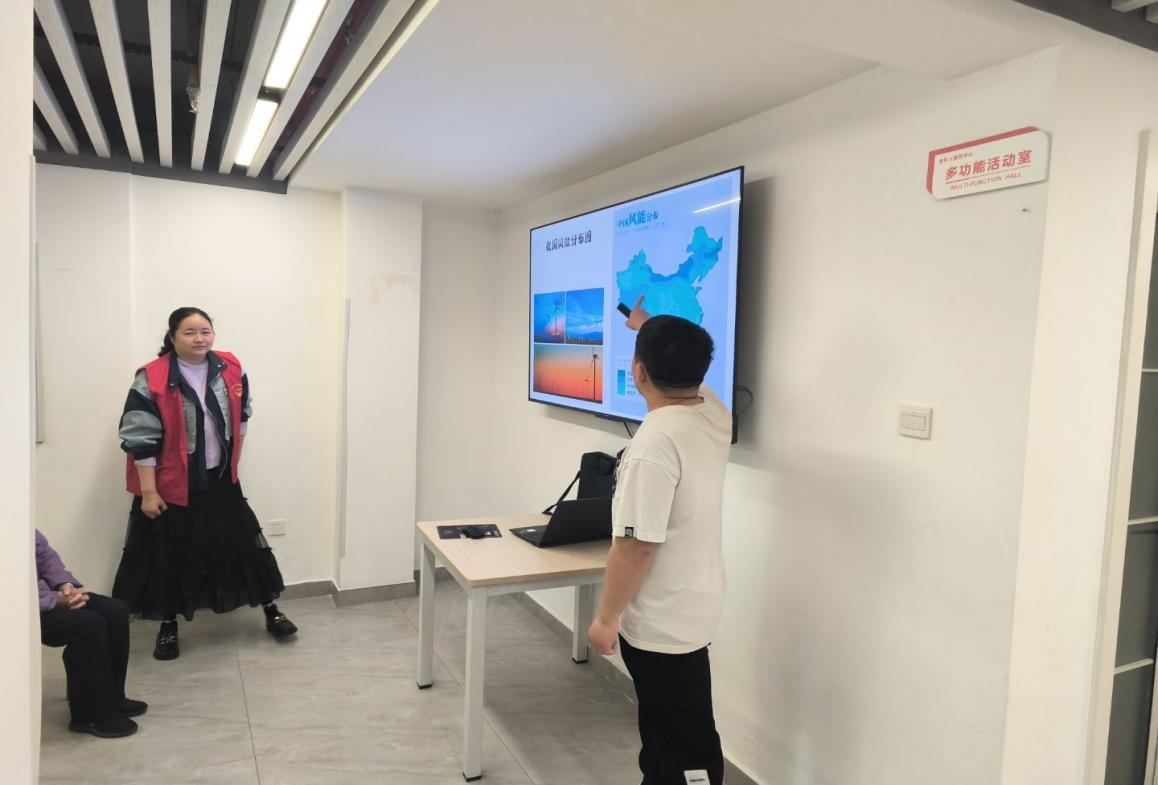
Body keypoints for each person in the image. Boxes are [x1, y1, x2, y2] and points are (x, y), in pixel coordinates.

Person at [588, 299, 731, 785]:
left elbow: (636, 547)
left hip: (661, 621)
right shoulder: (713, 415)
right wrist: (648, 328)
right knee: (665, 737)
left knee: (686, 749)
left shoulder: (653, 444)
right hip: (694, 603)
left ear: (638, 372)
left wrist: (606, 618)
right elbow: (692, 377)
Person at [113, 307, 297, 661]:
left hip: (219, 479)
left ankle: (270, 609)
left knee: (243, 545)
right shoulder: (151, 377)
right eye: (189, 332)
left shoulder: (229, 367)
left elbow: (242, 414)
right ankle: (168, 625)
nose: (199, 339)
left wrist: (232, 462)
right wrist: (149, 492)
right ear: (172, 337)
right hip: (171, 485)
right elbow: (140, 438)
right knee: (169, 556)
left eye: (205, 331)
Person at [38, 529, 147, 738]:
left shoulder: (15, 518)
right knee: (89, 625)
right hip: (18, 609)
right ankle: (90, 715)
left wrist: (66, 586)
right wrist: (56, 600)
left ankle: (112, 698)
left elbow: (45, 556)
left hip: (47, 596)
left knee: (115, 611)